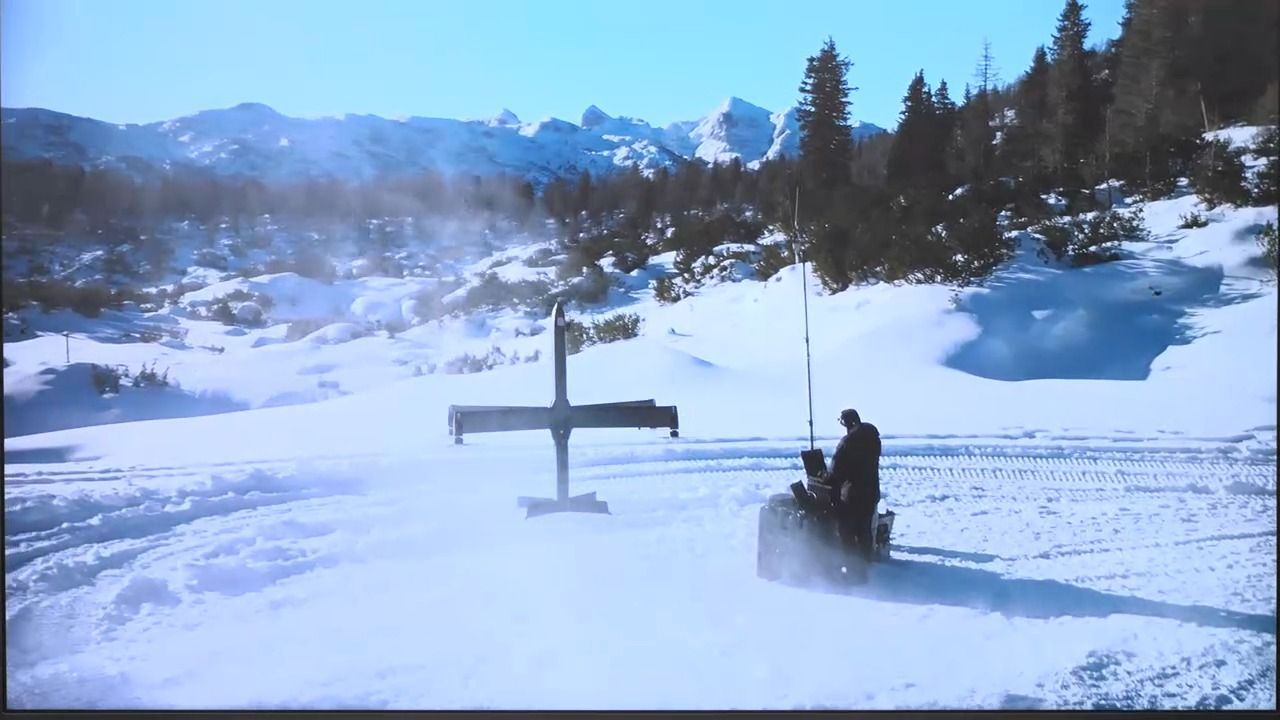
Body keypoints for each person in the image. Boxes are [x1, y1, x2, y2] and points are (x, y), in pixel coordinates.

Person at [827, 408, 881, 564]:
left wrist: (827, 477)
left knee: (847, 531)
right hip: (871, 492)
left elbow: (836, 470)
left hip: (853, 495)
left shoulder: (847, 442)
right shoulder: (873, 439)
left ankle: (852, 566)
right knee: (865, 530)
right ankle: (865, 564)